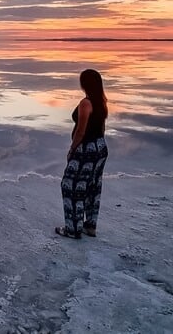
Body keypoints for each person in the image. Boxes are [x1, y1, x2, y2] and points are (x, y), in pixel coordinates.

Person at [55, 69, 109, 239]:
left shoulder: (86, 103)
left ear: (84, 83)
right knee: (92, 186)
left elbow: (81, 130)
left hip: (87, 148)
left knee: (70, 186)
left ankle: (73, 229)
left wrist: (72, 149)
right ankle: (90, 226)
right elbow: (101, 127)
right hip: (100, 146)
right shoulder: (101, 101)